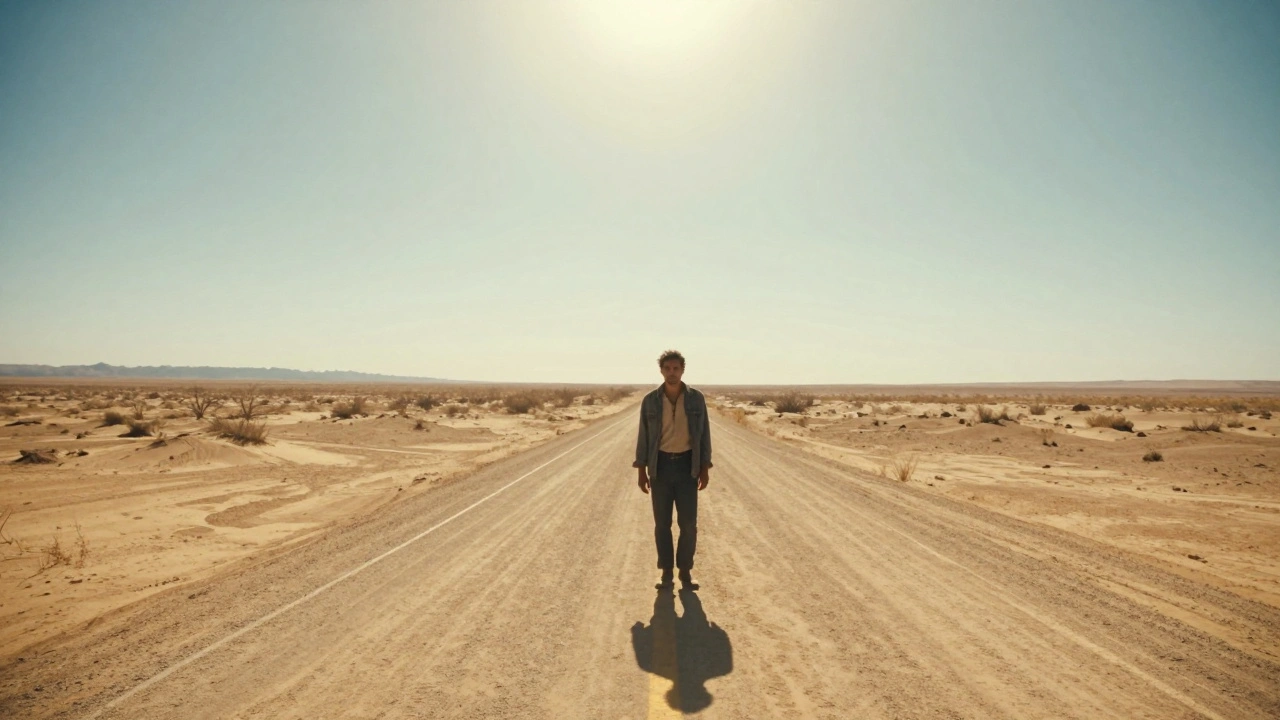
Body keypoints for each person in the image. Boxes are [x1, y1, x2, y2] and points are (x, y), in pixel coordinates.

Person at [635, 350, 712, 590]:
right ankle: (666, 572)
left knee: (689, 524)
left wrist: (704, 467)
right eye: (667, 368)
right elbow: (644, 437)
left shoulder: (696, 399)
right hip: (661, 467)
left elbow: (704, 434)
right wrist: (641, 470)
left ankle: (686, 572)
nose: (671, 373)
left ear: (682, 370)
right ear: (661, 370)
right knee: (662, 523)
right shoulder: (650, 400)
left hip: (687, 467)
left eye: (676, 368)